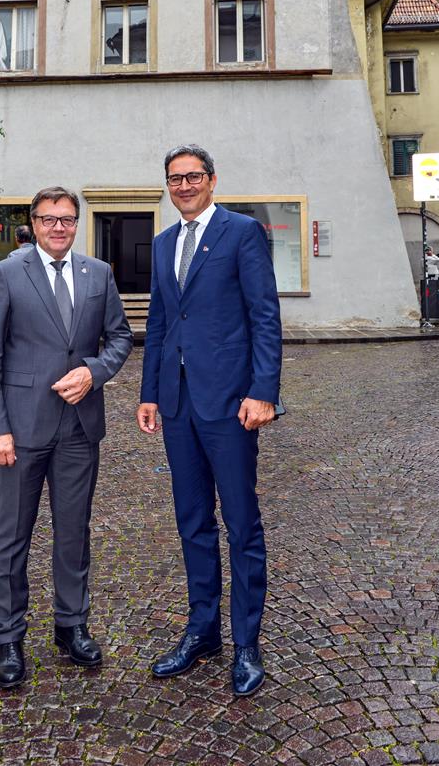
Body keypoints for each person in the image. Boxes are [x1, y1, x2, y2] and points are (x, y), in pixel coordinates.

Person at [137, 145, 282, 697]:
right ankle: (203, 632)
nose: (184, 186)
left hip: (230, 403)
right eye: (175, 179)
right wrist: (150, 393)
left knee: (242, 524)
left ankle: (246, 642)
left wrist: (263, 392)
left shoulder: (241, 233)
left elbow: (264, 315)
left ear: (212, 180)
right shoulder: (163, 243)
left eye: (193, 176)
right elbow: (160, 321)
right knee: (192, 522)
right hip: (177, 404)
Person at [0, 186, 132, 689]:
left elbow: (120, 337)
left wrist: (94, 371)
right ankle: (9, 638)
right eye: (48, 219)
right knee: (11, 536)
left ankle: (71, 625)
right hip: (21, 429)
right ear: (34, 223)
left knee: (73, 531)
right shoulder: (7, 273)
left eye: (66, 219)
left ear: (76, 223)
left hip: (79, 427)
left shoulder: (98, 273)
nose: (58, 227)